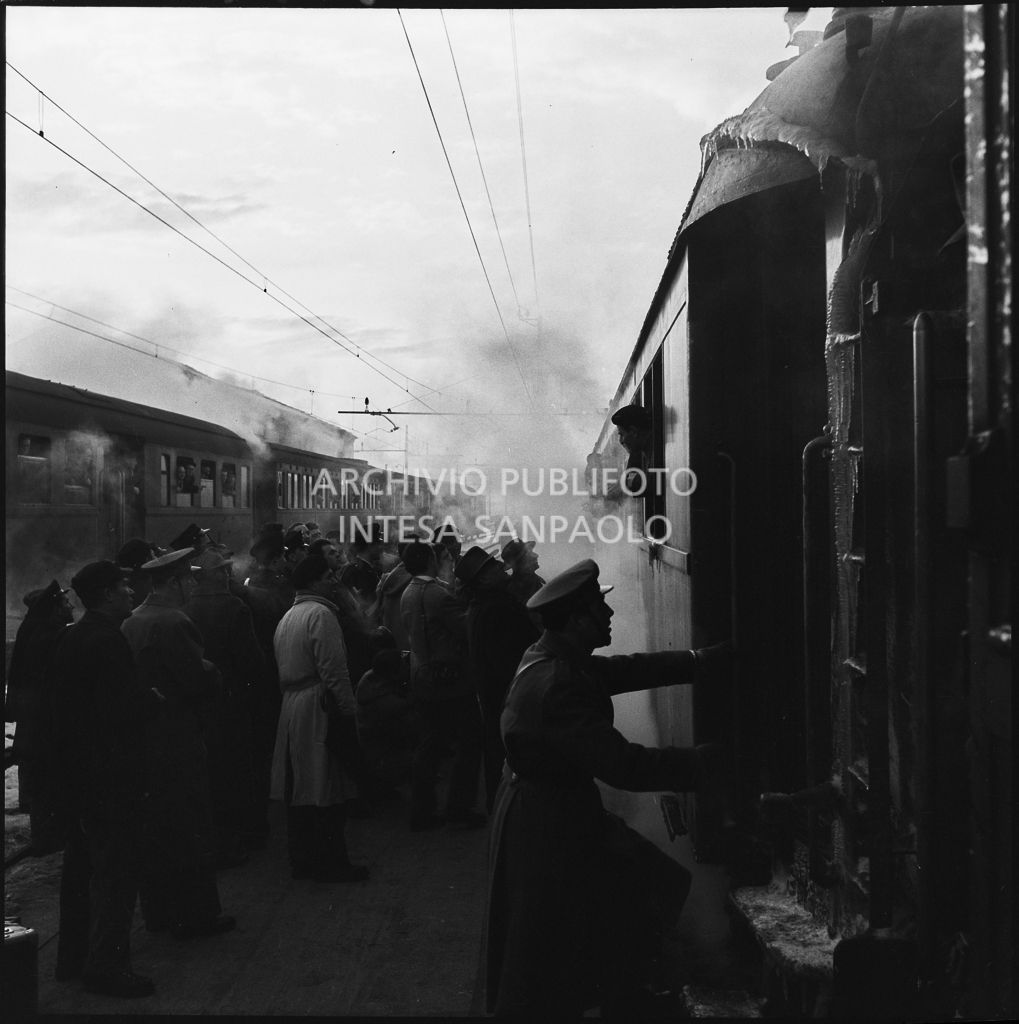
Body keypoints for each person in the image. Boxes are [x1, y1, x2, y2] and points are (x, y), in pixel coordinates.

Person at [484, 558, 733, 1021]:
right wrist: (702, 764)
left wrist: (698, 661)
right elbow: (624, 766)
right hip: (547, 823)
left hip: (543, 808)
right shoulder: (557, 685)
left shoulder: (555, 656)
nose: (611, 614)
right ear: (578, 621)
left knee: (604, 906)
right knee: (563, 933)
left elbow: (623, 670)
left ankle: (620, 990)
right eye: (601, 607)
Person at [46, 561, 153, 997]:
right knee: (115, 874)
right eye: (124, 587)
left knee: (83, 870)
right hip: (110, 780)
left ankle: (73, 959)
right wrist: (151, 701)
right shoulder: (108, 640)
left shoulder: (75, 636)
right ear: (107, 594)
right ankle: (108, 966)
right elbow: (118, 713)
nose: (131, 593)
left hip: (80, 779)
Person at [121, 548, 236, 941]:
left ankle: (160, 914)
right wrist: (213, 672)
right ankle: (199, 916)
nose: (192, 584)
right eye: (188, 579)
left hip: (146, 740)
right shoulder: (174, 621)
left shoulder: (133, 620)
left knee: (156, 831)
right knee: (190, 827)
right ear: (172, 582)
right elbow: (199, 680)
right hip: (178, 738)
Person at [271, 553, 369, 883]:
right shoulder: (322, 614)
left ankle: (305, 860)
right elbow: (334, 670)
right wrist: (348, 710)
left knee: (302, 788)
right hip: (318, 706)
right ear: (313, 581)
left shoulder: (289, 616)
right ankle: (333, 862)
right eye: (328, 576)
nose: (333, 581)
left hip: (293, 707)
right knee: (325, 786)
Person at [183, 548, 268, 863]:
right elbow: (252, 661)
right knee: (237, 770)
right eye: (223, 570)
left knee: (212, 774)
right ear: (216, 575)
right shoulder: (234, 607)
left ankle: (216, 838)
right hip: (233, 701)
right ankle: (238, 838)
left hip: (202, 702)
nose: (227, 574)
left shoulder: (187, 606)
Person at [400, 540, 485, 831]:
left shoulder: (409, 592)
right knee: (470, 742)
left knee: (429, 746)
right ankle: (458, 808)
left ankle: (422, 811)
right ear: (428, 560)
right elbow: (466, 629)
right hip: (450, 681)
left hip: (423, 677)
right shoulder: (438, 594)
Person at [455, 547, 539, 813]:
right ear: (482, 579)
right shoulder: (495, 609)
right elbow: (510, 661)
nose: (500, 566)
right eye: (492, 566)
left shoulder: (488, 605)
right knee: (510, 764)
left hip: (498, 697)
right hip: (507, 697)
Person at [5, 580, 74, 842]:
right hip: (44, 720)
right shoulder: (49, 636)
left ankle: (41, 827)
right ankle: (46, 836)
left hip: (32, 718)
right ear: (55, 608)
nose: (71, 605)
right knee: (44, 776)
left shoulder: (34, 630)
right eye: (66, 602)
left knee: (35, 770)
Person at [355, 645, 420, 787]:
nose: (407, 667)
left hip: (377, 753)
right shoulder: (386, 702)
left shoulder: (371, 681)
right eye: (403, 665)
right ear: (393, 673)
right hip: (384, 759)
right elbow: (412, 725)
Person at [606, 403, 652, 500]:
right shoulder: (642, 450)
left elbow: (643, 484)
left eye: (622, 434)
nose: (621, 441)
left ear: (633, 432)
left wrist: (628, 481)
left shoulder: (653, 451)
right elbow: (629, 477)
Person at [500, 539, 546, 607]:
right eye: (529, 553)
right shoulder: (517, 588)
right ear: (521, 562)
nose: (536, 555)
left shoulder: (532, 580)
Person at [116, 538, 160, 608]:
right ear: (147, 559)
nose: (156, 558)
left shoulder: (124, 583)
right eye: (153, 555)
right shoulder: (151, 587)